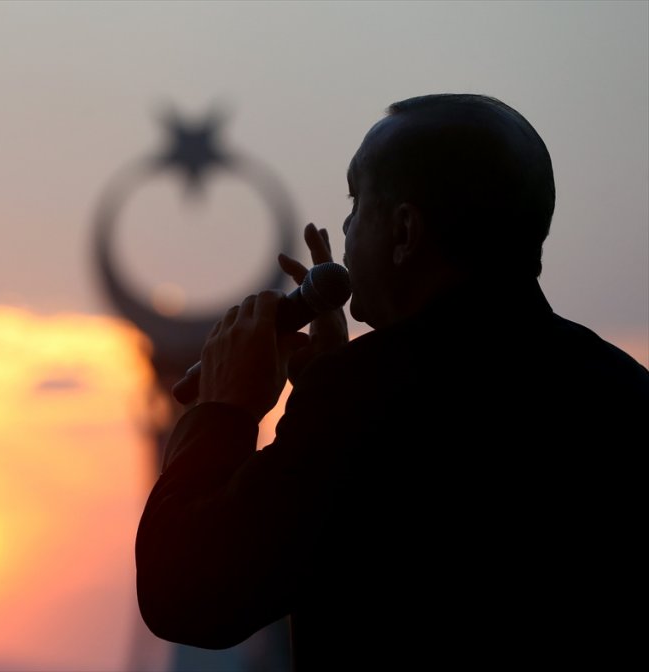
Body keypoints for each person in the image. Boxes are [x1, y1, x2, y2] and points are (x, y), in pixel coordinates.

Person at [135, 94, 649, 669]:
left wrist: (224, 410)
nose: (348, 226)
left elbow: (185, 595)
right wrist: (331, 381)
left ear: (405, 231)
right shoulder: (625, 389)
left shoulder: (362, 403)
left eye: (357, 202)